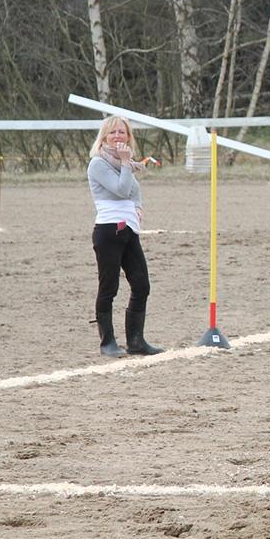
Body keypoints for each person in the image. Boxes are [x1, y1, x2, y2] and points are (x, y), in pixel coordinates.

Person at [87, 115, 163, 357]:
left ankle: (136, 341)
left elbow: (134, 190)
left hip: (128, 229)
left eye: (122, 132)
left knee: (141, 284)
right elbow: (121, 189)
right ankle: (107, 342)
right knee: (108, 287)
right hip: (109, 231)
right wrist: (127, 163)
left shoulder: (123, 163)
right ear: (104, 136)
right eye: (113, 132)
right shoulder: (98, 164)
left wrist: (137, 206)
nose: (118, 136)